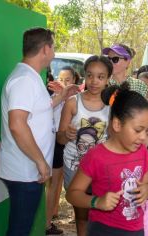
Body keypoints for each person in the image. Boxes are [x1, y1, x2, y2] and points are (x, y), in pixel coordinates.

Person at [0, 27, 78, 236]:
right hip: (25, 170)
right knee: (20, 229)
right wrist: (40, 161)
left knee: (21, 226)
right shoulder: (24, 80)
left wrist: (61, 96)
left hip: (28, 169)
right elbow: (17, 124)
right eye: (54, 47)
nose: (55, 53)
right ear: (45, 49)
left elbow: (38, 109)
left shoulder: (31, 77)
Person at [66, 82, 148, 236]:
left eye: (147, 131)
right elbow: (72, 194)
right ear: (117, 124)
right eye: (138, 130)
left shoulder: (142, 152)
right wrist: (96, 202)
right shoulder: (96, 156)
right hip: (103, 230)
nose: (143, 137)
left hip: (136, 230)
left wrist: (147, 189)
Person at [57, 55, 112, 236]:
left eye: (100, 77)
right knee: (81, 216)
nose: (94, 81)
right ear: (84, 76)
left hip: (102, 168)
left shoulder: (112, 105)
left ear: (107, 79)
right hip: (75, 166)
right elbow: (60, 139)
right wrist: (66, 134)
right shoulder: (73, 102)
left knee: (103, 214)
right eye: (90, 75)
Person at [45, 66, 80, 235]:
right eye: (61, 79)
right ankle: (47, 222)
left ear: (75, 81)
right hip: (56, 143)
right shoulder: (54, 97)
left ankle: (53, 214)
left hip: (70, 144)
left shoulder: (77, 100)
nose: (63, 83)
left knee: (60, 183)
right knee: (53, 183)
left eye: (68, 80)